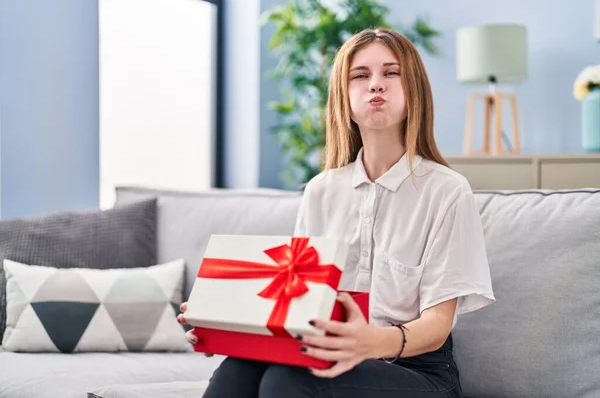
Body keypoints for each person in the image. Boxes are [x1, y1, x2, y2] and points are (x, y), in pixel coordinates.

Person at [178, 27, 495, 398]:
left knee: (289, 381)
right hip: (328, 352)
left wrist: (368, 343)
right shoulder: (321, 191)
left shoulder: (446, 190)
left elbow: (437, 327)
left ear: (415, 91)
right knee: (235, 371)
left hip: (418, 373)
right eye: (360, 75)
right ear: (342, 97)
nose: (376, 84)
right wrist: (230, 327)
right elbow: (299, 307)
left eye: (391, 73)